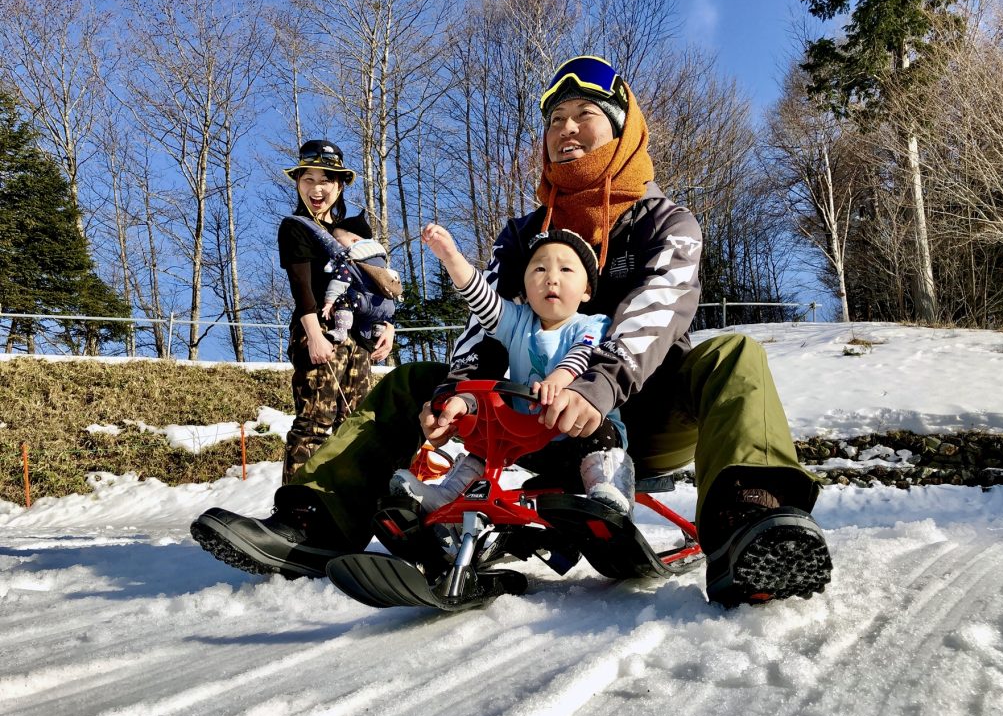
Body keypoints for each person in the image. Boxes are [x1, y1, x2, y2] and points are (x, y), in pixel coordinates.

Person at [191, 58, 832, 607]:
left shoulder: (666, 221)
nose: (566, 130)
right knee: (411, 383)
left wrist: (598, 384)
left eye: (584, 114)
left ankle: (749, 523)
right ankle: (313, 519)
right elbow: (487, 317)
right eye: (554, 120)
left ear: (622, 127)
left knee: (735, 354)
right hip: (524, 416)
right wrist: (457, 395)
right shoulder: (523, 234)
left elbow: (658, 308)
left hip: (639, 412)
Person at [391, 225, 634, 516]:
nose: (551, 278)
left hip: (578, 434)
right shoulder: (517, 321)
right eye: (539, 269)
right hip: (529, 439)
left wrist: (560, 378)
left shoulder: (592, 323)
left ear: (587, 290)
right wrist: (451, 257)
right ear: (526, 285)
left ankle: (606, 494)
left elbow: (584, 352)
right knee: (485, 435)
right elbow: (481, 300)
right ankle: (449, 496)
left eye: (566, 270)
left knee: (601, 431)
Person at [274, 140, 396, 483]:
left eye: (325, 180)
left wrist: (387, 326)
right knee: (315, 420)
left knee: (354, 425)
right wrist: (313, 335)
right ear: (298, 182)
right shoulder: (296, 226)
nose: (316, 188)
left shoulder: (353, 233)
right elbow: (301, 287)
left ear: (339, 185)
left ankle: (342, 505)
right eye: (308, 179)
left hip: (359, 339)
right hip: (321, 331)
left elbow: (377, 282)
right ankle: (295, 507)